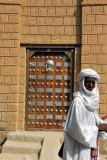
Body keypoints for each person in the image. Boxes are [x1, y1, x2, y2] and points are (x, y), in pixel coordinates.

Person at [62, 68, 107, 160]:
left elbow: (94, 120)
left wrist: (103, 122)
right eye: (88, 82)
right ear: (82, 83)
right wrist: (98, 128)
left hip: (90, 147)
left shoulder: (91, 102)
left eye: (93, 83)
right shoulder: (78, 102)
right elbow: (74, 129)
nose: (90, 85)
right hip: (79, 149)